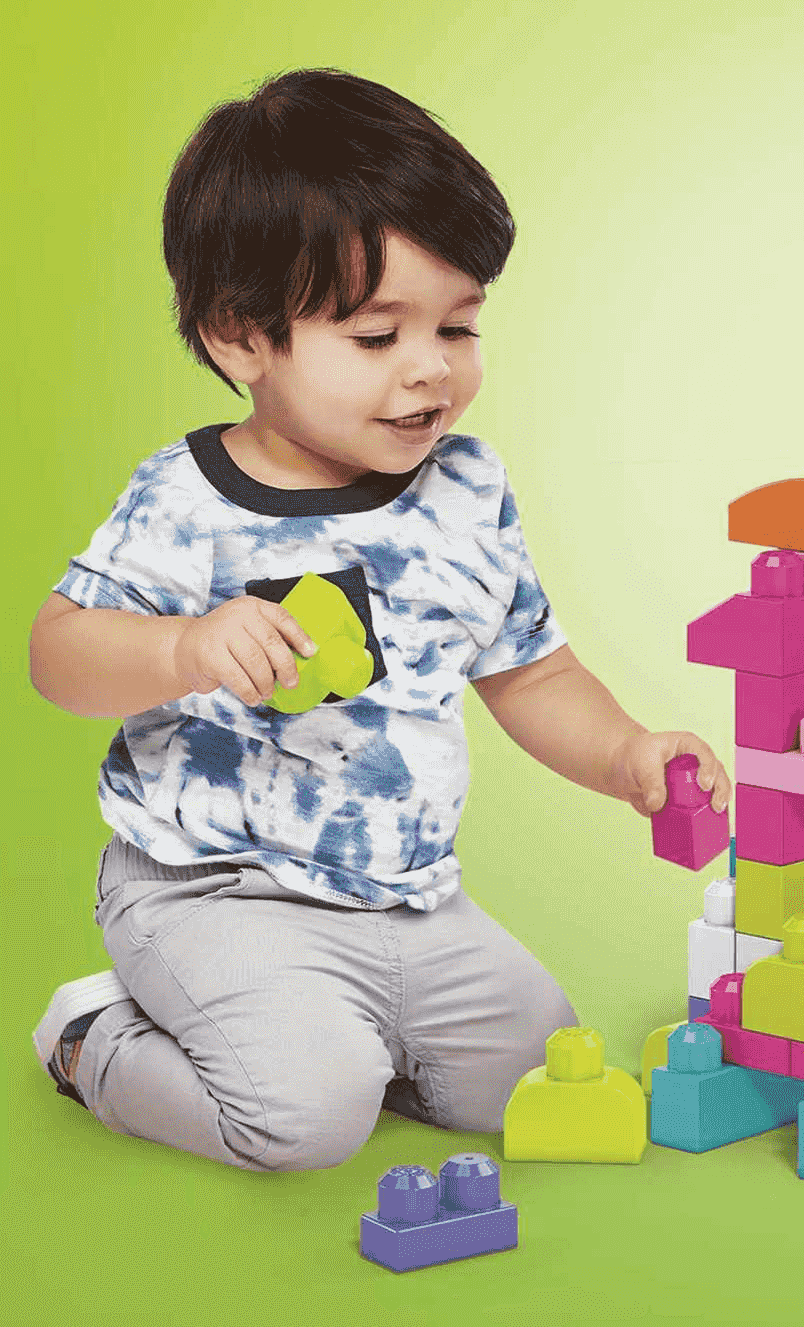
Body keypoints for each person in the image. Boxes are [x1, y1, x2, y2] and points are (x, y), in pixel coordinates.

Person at [27, 70, 731, 1169]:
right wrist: (182, 646)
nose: (431, 369)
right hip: (213, 889)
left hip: (406, 897)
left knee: (532, 1082)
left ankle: (335, 1030)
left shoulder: (465, 490)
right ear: (241, 339)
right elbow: (59, 652)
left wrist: (627, 754)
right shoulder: (187, 501)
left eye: (459, 325)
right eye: (374, 337)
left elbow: (532, 673)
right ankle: (95, 1036)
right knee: (303, 1121)